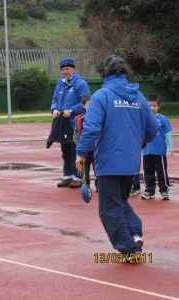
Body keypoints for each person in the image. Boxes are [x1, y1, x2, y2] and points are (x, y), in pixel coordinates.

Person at [76, 55, 158, 262]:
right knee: (121, 201)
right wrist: (143, 141)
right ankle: (135, 234)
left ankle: (129, 249)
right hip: (131, 162)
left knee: (109, 208)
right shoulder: (138, 97)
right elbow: (153, 128)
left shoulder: (101, 96)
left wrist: (82, 153)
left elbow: (91, 128)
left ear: (106, 73)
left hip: (109, 162)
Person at [50, 58, 91, 188]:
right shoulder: (59, 84)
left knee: (76, 150)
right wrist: (54, 109)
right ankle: (67, 176)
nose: (65, 72)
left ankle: (78, 177)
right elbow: (55, 99)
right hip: (62, 122)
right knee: (65, 150)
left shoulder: (80, 84)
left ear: (73, 68)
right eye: (63, 69)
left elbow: (84, 102)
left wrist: (72, 110)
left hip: (75, 123)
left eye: (67, 69)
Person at [141, 95, 174, 200]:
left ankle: (164, 190)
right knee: (148, 171)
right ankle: (149, 190)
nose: (151, 108)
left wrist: (171, 148)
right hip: (147, 151)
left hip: (159, 151)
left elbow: (167, 134)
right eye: (149, 105)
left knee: (161, 172)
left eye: (154, 105)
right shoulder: (143, 119)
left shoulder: (162, 119)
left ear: (158, 106)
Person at [73, 94, 97, 190]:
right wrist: (80, 146)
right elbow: (76, 134)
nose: (90, 107)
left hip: (95, 148)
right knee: (84, 168)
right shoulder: (79, 118)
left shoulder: (98, 118)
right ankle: (85, 185)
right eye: (88, 105)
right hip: (85, 149)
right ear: (83, 106)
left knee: (98, 168)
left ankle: (99, 185)